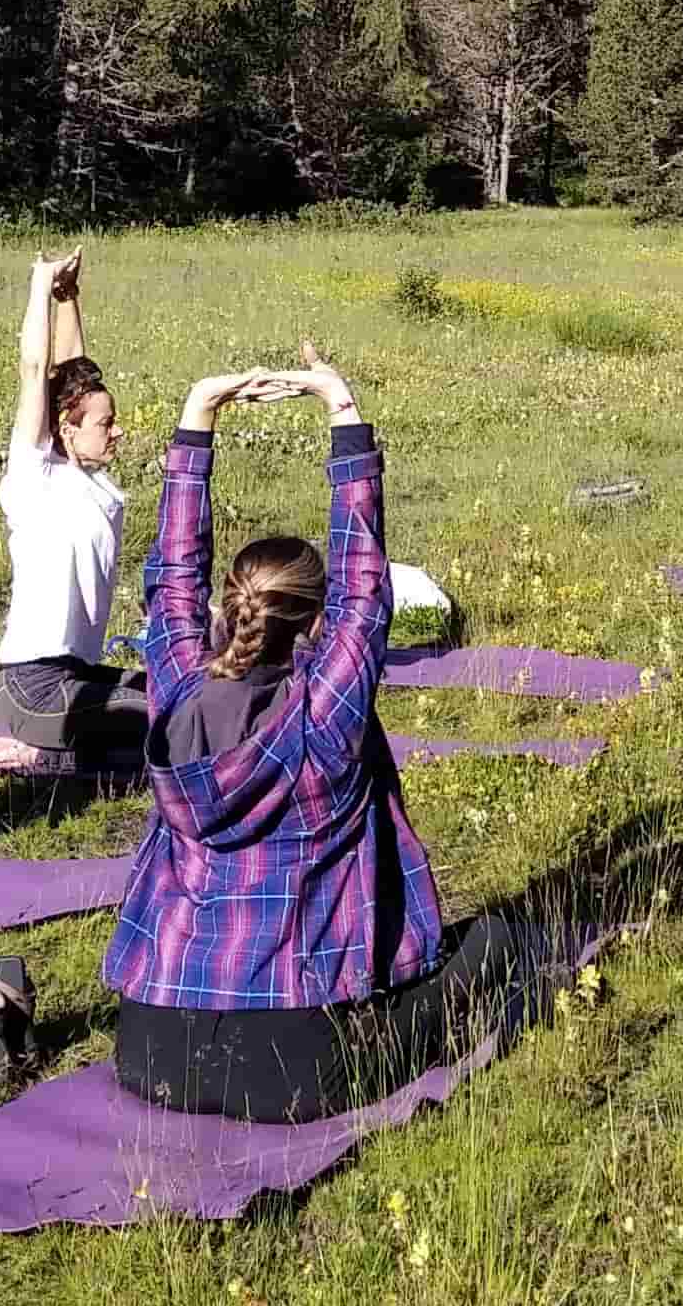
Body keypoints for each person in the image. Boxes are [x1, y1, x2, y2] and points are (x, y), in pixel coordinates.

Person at [108, 342, 558, 1123]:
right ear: (314, 622)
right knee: (488, 948)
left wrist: (198, 413)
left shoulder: (176, 690)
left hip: (149, 1046)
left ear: (226, 608)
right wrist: (340, 408)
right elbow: (365, 584)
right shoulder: (324, 715)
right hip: (290, 1068)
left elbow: (171, 577)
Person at [0, 249, 142, 771]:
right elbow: (34, 371)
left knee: (191, 696)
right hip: (32, 688)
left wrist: (68, 295)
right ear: (67, 429)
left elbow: (73, 374)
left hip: (77, 674)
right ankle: (42, 758)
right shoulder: (33, 477)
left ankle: (57, 749)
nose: (117, 430)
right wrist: (39, 282)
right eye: (106, 423)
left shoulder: (91, 481)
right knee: (177, 720)